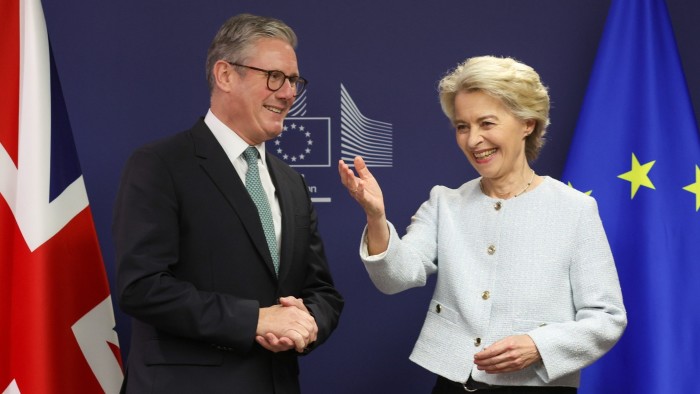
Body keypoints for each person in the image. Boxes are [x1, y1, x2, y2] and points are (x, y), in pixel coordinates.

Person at [338, 56, 626, 393]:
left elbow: (607, 317)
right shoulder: (445, 203)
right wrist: (376, 216)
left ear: (527, 123)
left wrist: (539, 345)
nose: (473, 140)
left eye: (487, 123)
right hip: (453, 385)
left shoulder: (575, 209)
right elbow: (397, 277)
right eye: (463, 126)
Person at [113, 13, 343, 394]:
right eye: (274, 76)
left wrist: (308, 322)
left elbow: (322, 291)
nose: (287, 93)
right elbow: (142, 286)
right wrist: (253, 320)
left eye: (293, 81)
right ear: (224, 75)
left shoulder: (292, 183)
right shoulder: (160, 165)